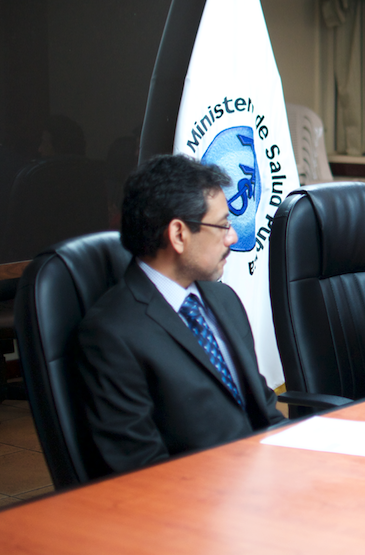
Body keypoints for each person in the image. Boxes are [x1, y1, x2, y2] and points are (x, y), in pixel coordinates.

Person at [78, 154, 284, 475]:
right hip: (196, 504)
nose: (233, 237)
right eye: (223, 225)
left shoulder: (223, 299)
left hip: (264, 478)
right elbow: (140, 468)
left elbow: (263, 408)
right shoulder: (112, 334)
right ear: (178, 235)